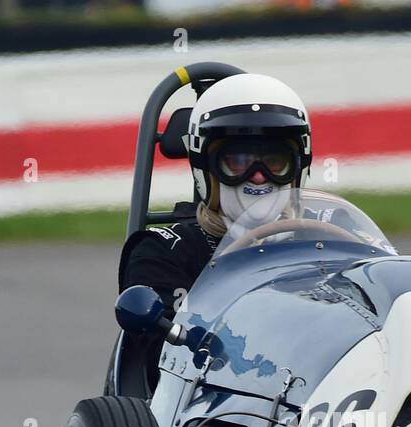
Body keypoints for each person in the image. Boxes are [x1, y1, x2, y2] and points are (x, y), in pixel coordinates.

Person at [118, 72, 313, 317]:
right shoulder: (165, 253)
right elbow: (161, 350)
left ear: (298, 166)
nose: (258, 176)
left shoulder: (331, 235)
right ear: (205, 168)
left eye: (275, 161)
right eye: (239, 161)